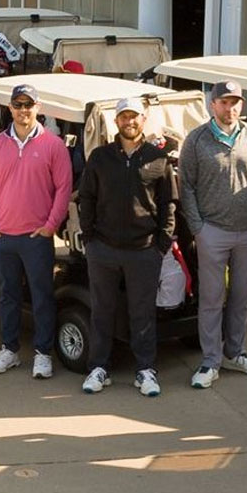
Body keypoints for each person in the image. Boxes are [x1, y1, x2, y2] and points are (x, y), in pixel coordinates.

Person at [180, 79, 247, 389]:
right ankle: (210, 361)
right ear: (212, 104)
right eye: (224, 102)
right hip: (213, 232)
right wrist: (198, 228)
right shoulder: (196, 140)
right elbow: (187, 187)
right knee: (211, 298)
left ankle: (236, 352)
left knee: (242, 298)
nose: (230, 107)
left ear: (241, 105)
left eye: (235, 102)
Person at [78, 98, 174, 398]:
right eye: (123, 117)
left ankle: (145, 369)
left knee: (142, 313)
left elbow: (168, 205)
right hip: (103, 248)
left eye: (134, 116)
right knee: (102, 310)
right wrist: (90, 236)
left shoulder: (157, 159)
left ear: (143, 120)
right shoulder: (100, 157)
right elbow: (87, 198)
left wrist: (161, 244)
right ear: (116, 121)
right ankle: (99, 367)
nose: (129, 122)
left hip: (144, 250)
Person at [0, 84, 72, 379]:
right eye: (18, 104)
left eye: (28, 104)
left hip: (36, 237)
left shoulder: (53, 145)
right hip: (3, 235)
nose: (23, 110)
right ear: (10, 108)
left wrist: (50, 226)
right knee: (8, 295)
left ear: (37, 107)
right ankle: (10, 349)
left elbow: (63, 188)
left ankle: (43, 353)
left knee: (42, 295)